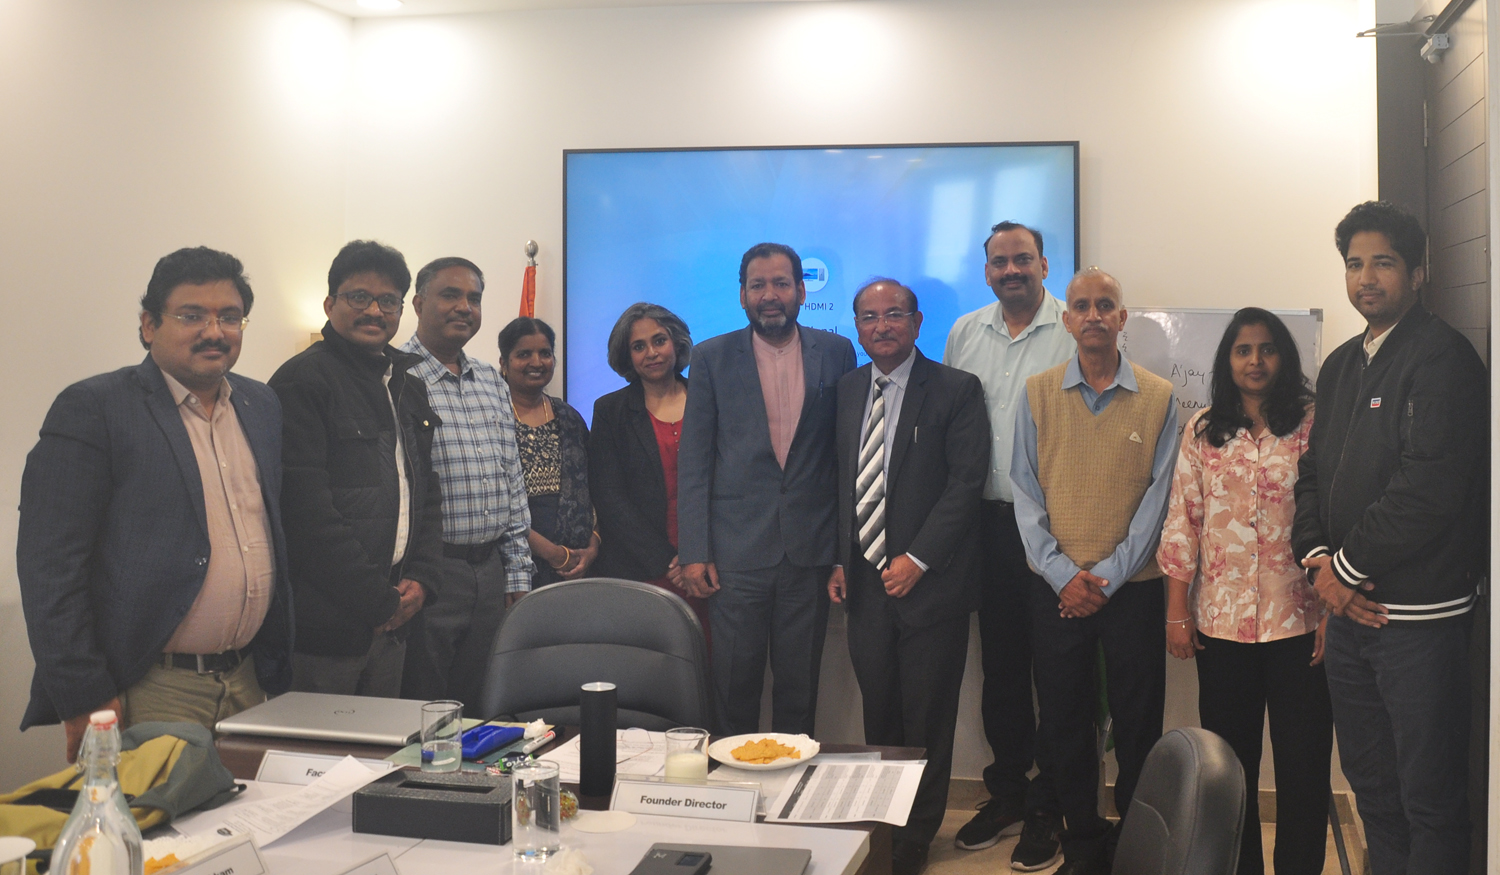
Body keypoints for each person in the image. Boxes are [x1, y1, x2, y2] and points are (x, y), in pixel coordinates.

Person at [18, 246, 293, 761]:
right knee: (148, 816)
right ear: (149, 325)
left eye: (229, 316)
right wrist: (84, 694)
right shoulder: (96, 407)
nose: (214, 331)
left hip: (247, 683)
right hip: (147, 689)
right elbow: (50, 566)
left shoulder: (261, 405)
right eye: (191, 316)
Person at [1293, 201, 1487, 874]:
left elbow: (1427, 489)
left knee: (1428, 797)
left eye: (1383, 263)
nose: (1366, 278)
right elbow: (1312, 474)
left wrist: (1341, 573)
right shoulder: (1343, 364)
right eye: (1354, 264)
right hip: (1349, 620)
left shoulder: (1443, 359)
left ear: (1418, 271)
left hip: (1418, 624)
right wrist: (1321, 564)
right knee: (1372, 787)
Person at [1011, 268, 1177, 875]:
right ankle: (1081, 843)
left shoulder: (1159, 397)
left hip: (1132, 590)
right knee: (1064, 723)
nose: (1094, 316)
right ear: (1067, 319)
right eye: (1082, 306)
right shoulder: (1037, 393)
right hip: (1056, 590)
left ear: (1122, 317)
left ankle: (1135, 845)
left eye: (1106, 305)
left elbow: (1159, 500)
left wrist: (1105, 577)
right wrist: (1063, 575)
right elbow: (1024, 493)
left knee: (1138, 723)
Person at [1158, 308, 1330, 875]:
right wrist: (1177, 611)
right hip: (1222, 626)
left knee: (1304, 767)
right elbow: (1184, 521)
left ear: (1285, 357)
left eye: (1267, 349)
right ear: (1227, 360)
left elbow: (1333, 513)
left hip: (1300, 624)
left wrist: (1332, 611)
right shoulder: (1203, 430)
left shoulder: (1313, 424)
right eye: (1243, 350)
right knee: (1230, 769)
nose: (1255, 361)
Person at [828, 279, 989, 875]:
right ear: (856, 327)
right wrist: (840, 558)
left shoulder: (956, 389)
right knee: (880, 713)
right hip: (864, 584)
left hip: (932, 585)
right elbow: (840, 481)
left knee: (928, 718)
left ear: (918, 322)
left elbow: (966, 483)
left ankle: (916, 835)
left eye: (894, 314)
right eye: (869, 317)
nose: (882, 326)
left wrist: (918, 558)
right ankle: (884, 823)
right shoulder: (847, 389)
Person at [678, 242, 856, 735]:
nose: (769, 295)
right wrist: (694, 552)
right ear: (742, 295)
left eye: (781, 283)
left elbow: (844, 460)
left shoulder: (836, 352)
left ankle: (790, 780)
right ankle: (733, 779)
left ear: (801, 291)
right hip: (735, 556)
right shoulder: (711, 357)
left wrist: (842, 553)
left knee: (800, 690)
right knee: (733, 686)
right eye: (758, 285)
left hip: (809, 552)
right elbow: (695, 462)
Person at [943, 220, 1074, 867]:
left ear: (1044, 264)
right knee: (1000, 670)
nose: (1012, 270)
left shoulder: (1075, 328)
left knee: (1057, 670)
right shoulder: (965, 332)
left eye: (1023, 258)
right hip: (986, 527)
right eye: (1000, 261)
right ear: (987, 270)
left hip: (1056, 527)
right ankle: (1009, 792)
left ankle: (1051, 804)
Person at [270, 240, 445, 698]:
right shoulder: (301, 381)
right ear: (330, 305)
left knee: (383, 744)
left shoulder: (407, 385)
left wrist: (422, 580)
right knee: (319, 745)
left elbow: (427, 492)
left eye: (388, 301)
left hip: (396, 617)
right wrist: (378, 601)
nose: (374, 310)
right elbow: (305, 513)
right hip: (327, 626)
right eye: (359, 297)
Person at [397, 257, 534, 707]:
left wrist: (517, 569)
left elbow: (512, 478)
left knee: (482, 705)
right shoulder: (396, 377)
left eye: (473, 298)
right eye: (450, 295)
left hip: (491, 572)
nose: (464, 307)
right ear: (419, 303)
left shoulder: (492, 380)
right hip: (431, 573)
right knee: (424, 707)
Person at [588, 303, 711, 640]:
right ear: (627, 356)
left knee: (708, 660)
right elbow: (609, 497)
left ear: (676, 343)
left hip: (707, 568)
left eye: (659, 340)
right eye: (638, 346)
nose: (651, 353)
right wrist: (669, 562)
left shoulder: (708, 400)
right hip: (641, 569)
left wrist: (698, 556)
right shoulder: (610, 411)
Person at [499, 317, 599, 586]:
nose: (536, 362)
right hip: (513, 568)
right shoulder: (492, 417)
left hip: (576, 565)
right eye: (524, 354)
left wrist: (593, 545)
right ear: (503, 363)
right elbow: (495, 505)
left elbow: (595, 486)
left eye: (545, 353)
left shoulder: (569, 417)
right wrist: (553, 554)